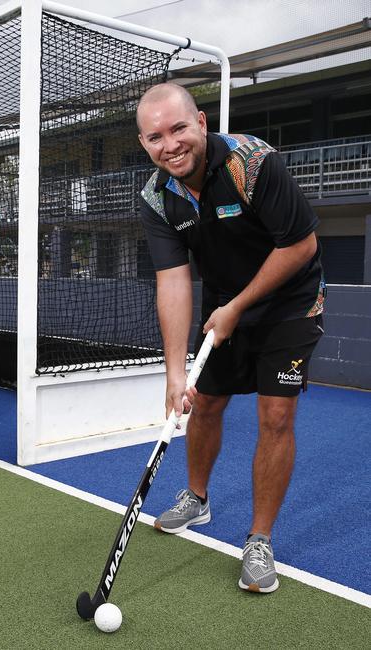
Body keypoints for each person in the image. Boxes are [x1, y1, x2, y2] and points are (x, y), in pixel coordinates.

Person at [136, 83, 325, 593]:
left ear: (200, 122)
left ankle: (259, 539)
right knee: (206, 402)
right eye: (155, 137)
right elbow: (173, 282)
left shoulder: (254, 162)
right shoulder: (157, 197)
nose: (170, 145)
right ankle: (197, 498)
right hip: (224, 307)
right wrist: (175, 374)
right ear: (144, 144)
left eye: (178, 129)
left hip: (290, 303)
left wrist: (239, 307)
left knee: (276, 413)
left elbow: (301, 244)